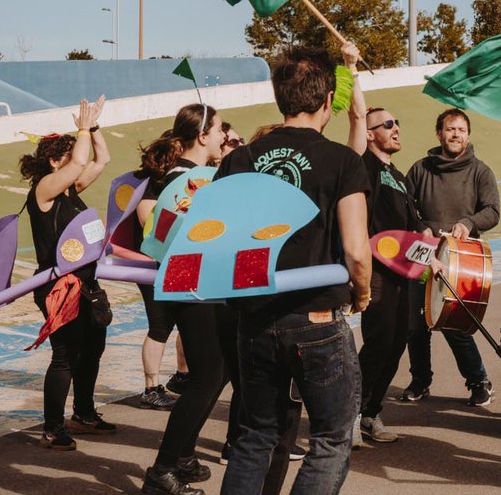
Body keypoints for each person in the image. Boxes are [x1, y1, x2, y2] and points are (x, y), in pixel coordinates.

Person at [217, 47, 372, 495]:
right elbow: (357, 250)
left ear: (280, 97)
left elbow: (222, 241)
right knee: (330, 437)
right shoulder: (342, 161)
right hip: (316, 319)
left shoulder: (239, 159)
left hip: (254, 317)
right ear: (327, 102)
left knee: (255, 436)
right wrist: (360, 294)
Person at [138, 103, 229, 495]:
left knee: (217, 372)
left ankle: (184, 454)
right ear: (203, 135)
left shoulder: (187, 176)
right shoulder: (194, 180)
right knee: (207, 376)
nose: (225, 136)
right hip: (194, 286)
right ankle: (163, 468)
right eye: (221, 129)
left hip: (195, 285)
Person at [19, 96, 112, 451]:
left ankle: (84, 413)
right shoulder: (44, 190)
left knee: (93, 348)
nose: (76, 160)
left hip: (86, 283)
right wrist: (82, 130)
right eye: (69, 155)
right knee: (65, 355)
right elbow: (80, 163)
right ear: (54, 161)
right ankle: (53, 427)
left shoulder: (70, 188)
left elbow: (100, 159)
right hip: (59, 286)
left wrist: (95, 127)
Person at [401, 107, 500, 407]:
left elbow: (492, 211)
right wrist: (421, 229)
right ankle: (420, 381)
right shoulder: (420, 169)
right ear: (439, 133)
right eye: (450, 129)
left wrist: (469, 223)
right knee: (416, 326)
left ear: (468, 135)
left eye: (460, 129)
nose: (455, 134)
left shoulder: (480, 171)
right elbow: (406, 208)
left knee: (455, 325)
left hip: (461, 259)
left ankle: (479, 381)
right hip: (423, 254)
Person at [352, 106, 421, 443]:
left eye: (398, 122)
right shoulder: (364, 166)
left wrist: (433, 248)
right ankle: (348, 415)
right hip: (376, 269)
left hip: (404, 273)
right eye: (388, 124)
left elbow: (414, 226)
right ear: (369, 134)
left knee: (398, 340)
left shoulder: (401, 175)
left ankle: (370, 412)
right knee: (378, 341)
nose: (396, 128)